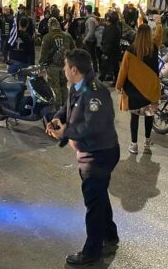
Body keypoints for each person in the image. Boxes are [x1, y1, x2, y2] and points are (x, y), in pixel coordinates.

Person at [46, 49, 120, 266]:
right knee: (99, 196)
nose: (64, 69)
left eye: (65, 66)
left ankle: (92, 252)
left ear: (74, 70)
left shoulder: (95, 92)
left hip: (99, 154)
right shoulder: (78, 86)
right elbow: (67, 107)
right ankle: (110, 235)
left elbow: (93, 126)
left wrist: (65, 132)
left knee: (93, 203)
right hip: (90, 152)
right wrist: (57, 118)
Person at [116, 23, 162, 154]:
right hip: (150, 90)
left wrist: (119, 85)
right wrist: (158, 23)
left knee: (134, 118)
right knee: (149, 117)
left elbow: (123, 70)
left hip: (134, 90)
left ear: (138, 34)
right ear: (149, 34)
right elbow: (159, 36)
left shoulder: (130, 50)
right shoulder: (154, 47)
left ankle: (134, 145)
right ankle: (147, 144)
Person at [39, 17, 75, 108]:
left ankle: (57, 110)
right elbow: (74, 50)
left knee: (55, 89)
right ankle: (66, 108)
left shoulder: (47, 37)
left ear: (49, 26)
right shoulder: (67, 36)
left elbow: (43, 54)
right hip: (65, 66)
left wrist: (40, 66)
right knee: (64, 87)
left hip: (52, 67)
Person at [100, 11, 121, 83]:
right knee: (113, 66)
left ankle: (102, 79)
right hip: (113, 50)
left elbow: (109, 40)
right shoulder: (115, 27)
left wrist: (105, 51)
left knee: (108, 65)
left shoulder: (112, 29)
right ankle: (115, 79)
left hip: (110, 51)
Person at [82, 4, 99, 72]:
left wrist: (85, 39)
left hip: (90, 40)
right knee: (90, 55)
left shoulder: (90, 19)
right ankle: (92, 69)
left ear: (86, 10)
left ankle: (92, 70)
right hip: (90, 40)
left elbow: (91, 31)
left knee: (90, 56)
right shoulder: (91, 18)